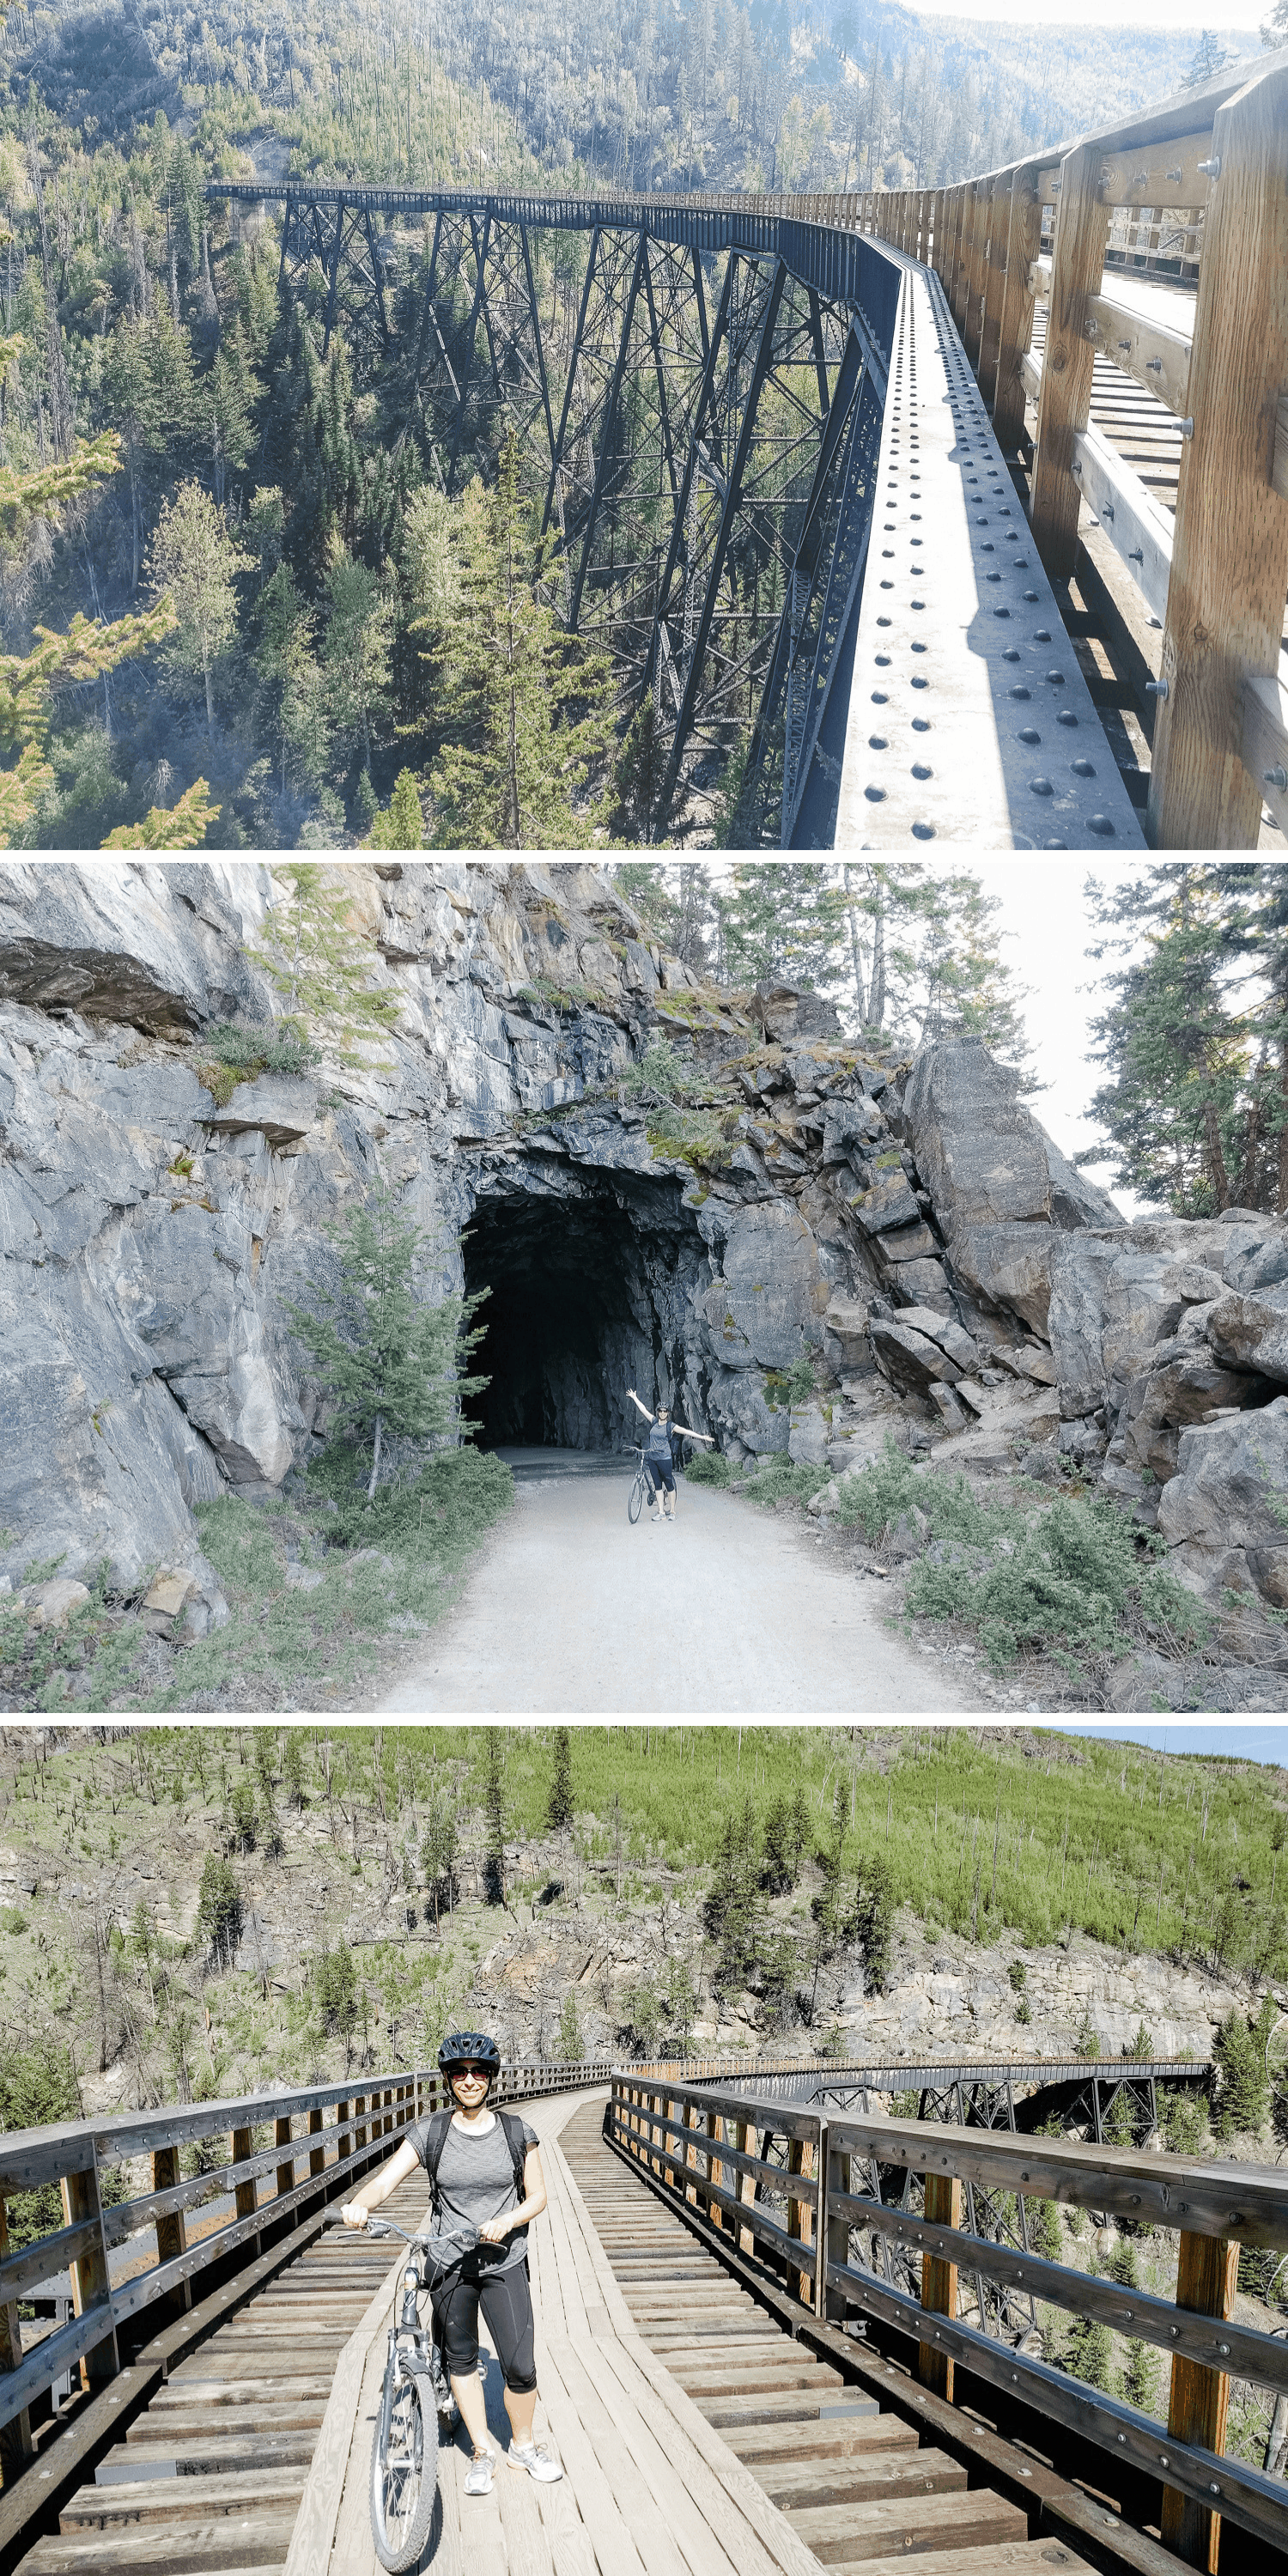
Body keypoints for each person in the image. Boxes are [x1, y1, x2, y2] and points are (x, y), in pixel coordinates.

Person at [342, 2031, 562, 2496]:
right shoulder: (431, 2133)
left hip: (504, 2260)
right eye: (459, 2073)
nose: (468, 2081)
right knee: (460, 2359)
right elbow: (383, 2183)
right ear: (447, 2080)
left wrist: (507, 2220)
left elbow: (538, 2195)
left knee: (520, 2365)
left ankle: (523, 2445)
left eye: (478, 2072)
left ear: (491, 2079)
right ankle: (482, 2449)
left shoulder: (518, 2132)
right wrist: (360, 2205)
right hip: (448, 2262)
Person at [627, 1386, 714, 1522]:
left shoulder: (670, 1426)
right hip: (653, 1458)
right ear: (658, 1412)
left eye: (665, 1411)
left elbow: (686, 1432)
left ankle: (672, 1511)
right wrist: (634, 1398)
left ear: (668, 1413)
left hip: (665, 1458)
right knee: (657, 1486)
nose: (662, 1413)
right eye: (660, 1411)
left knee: (669, 1484)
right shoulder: (654, 1422)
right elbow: (643, 1409)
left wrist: (702, 1437)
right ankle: (661, 1512)